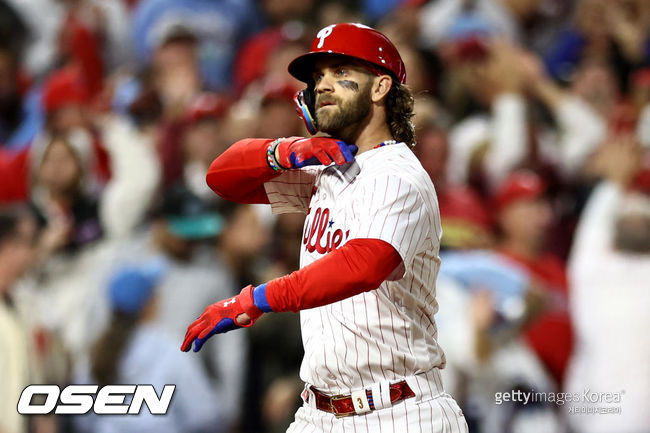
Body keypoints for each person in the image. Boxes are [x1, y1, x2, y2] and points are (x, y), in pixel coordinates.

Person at [181, 23, 469, 432]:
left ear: (380, 87)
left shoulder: (398, 174)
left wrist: (258, 298)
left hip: (398, 410)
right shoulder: (328, 169)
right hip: (318, 413)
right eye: (318, 77)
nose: (323, 86)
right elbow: (222, 176)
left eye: (340, 72)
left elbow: (364, 265)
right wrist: (288, 150)